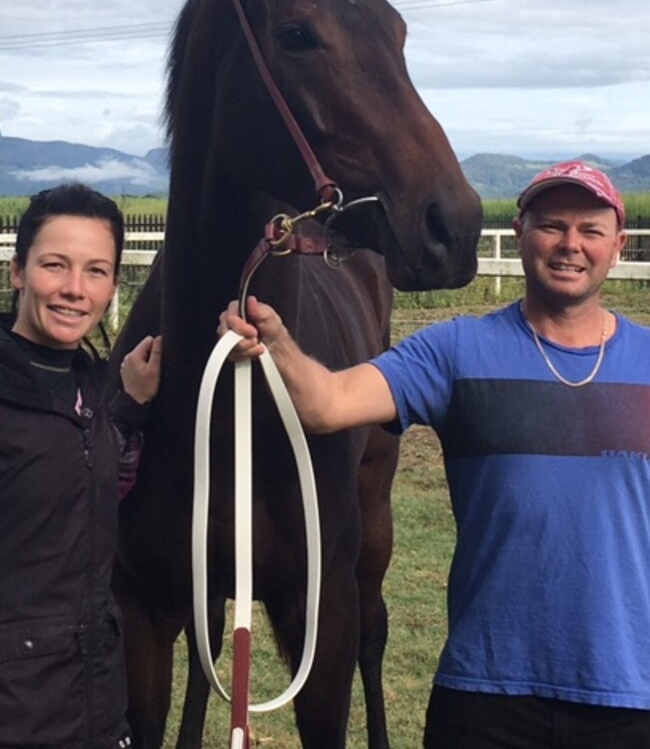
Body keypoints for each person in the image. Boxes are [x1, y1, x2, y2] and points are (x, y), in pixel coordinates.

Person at [219, 160, 650, 749]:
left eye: (590, 230)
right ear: (521, 232)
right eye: (552, 225)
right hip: (486, 696)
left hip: (631, 697)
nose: (570, 244)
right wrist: (278, 343)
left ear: (617, 246)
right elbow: (327, 403)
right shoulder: (456, 351)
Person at [0, 183, 162, 749]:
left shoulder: (88, 390)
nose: (74, 289)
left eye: (96, 271)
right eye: (54, 265)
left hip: (93, 699)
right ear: (18, 272)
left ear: (115, 285)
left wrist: (131, 405)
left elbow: (85, 481)